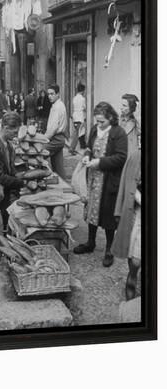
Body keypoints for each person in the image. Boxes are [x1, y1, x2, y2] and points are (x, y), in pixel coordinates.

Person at [73, 102, 128, 267]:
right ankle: (91, 242)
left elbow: (121, 157)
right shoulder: (94, 130)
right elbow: (89, 147)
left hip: (109, 180)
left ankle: (109, 249)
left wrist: (100, 162)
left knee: (108, 215)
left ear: (111, 117)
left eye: (102, 121)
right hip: (93, 178)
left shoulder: (119, 133)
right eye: (97, 121)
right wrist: (87, 156)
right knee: (91, 210)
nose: (99, 124)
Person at [112, 150, 141, 300]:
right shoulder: (137, 157)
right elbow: (127, 184)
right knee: (136, 258)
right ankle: (132, 279)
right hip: (139, 213)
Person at [44, 84, 68, 179]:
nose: (50, 96)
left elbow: (53, 128)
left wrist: (42, 139)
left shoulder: (57, 107)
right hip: (59, 138)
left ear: (58, 94)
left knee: (39, 153)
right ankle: (64, 186)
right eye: (48, 94)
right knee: (58, 167)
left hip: (56, 138)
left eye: (52, 94)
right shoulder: (58, 105)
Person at [69, 83, 87, 155]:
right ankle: (72, 148)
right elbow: (84, 107)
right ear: (82, 91)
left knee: (77, 132)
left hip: (75, 116)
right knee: (77, 133)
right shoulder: (82, 99)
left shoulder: (74, 98)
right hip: (80, 117)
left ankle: (82, 145)